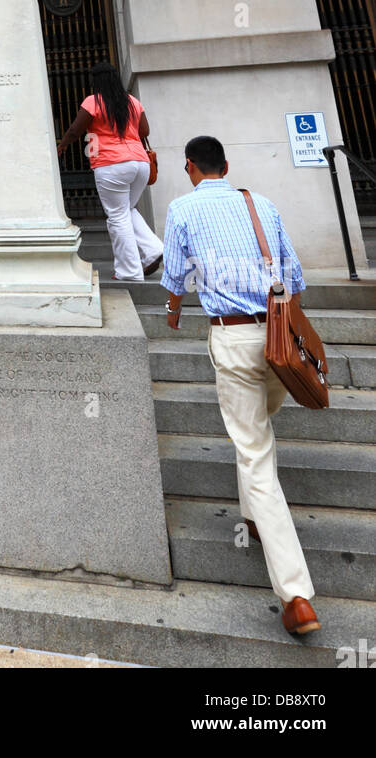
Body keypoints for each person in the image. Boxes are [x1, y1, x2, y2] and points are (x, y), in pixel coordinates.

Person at [162, 135, 319, 637]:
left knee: (253, 449)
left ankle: (296, 595)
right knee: (256, 430)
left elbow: (175, 274)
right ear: (226, 166)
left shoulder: (182, 209)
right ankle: (252, 514)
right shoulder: (262, 203)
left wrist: (173, 309)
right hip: (278, 339)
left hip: (232, 339)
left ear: (189, 168)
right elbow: (293, 275)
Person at [57, 61, 163, 282]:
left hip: (111, 163)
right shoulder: (132, 101)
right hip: (140, 163)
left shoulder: (93, 101)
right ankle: (153, 249)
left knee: (117, 216)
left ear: (96, 81)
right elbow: (145, 130)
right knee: (126, 209)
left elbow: (76, 128)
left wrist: (63, 145)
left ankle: (129, 271)